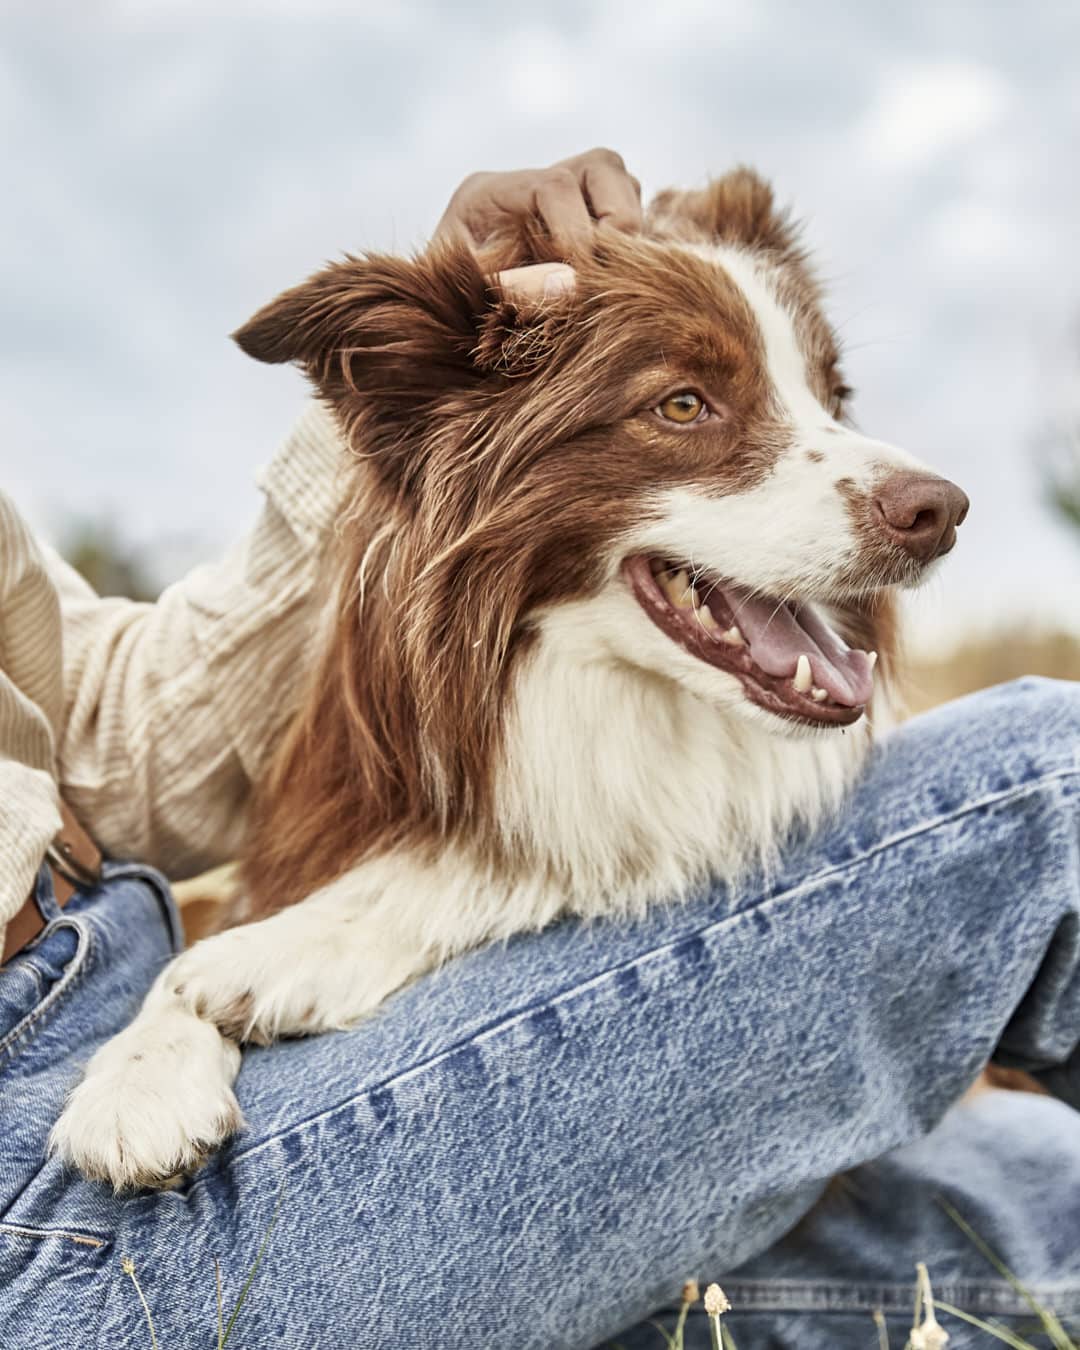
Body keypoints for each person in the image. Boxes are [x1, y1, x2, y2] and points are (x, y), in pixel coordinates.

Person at [0, 147, 1078, 1350]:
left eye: (819, 397)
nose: (886, 477)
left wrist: (411, 393)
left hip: (108, 1020)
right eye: (687, 403)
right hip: (57, 1231)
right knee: (1054, 787)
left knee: (1042, 1212)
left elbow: (117, 731)